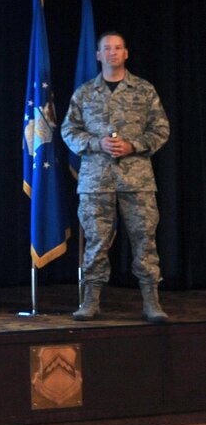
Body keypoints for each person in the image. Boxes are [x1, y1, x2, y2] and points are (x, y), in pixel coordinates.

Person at [61, 30, 170, 323]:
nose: (112, 53)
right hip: (96, 182)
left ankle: (151, 303)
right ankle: (90, 301)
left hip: (137, 181)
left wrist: (133, 145)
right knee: (95, 241)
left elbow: (161, 130)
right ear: (98, 55)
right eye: (106, 49)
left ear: (126, 54)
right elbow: (68, 130)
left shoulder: (144, 90)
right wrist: (97, 143)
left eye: (118, 48)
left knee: (145, 241)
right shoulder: (85, 93)